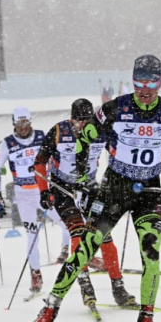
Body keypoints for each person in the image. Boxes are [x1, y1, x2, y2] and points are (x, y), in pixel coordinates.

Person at [21, 56, 161, 322]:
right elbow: (85, 137)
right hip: (114, 189)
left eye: (152, 81)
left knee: (151, 254)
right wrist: (81, 176)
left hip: (148, 191)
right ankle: (49, 310)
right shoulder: (115, 108)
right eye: (140, 81)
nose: (146, 88)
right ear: (133, 80)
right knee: (84, 249)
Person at [32, 98, 137, 308]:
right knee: (78, 233)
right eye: (78, 120)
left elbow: (119, 155)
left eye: (86, 120)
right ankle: (85, 285)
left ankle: (118, 287)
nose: (82, 125)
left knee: (104, 235)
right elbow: (39, 163)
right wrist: (44, 191)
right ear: (71, 118)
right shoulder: (59, 131)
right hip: (63, 188)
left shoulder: (100, 131)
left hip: (88, 187)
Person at [0, 107, 48, 295]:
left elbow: (55, 158)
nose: (22, 128)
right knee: (32, 235)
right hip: (23, 194)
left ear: (30, 122)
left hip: (43, 189)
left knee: (67, 223)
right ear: (14, 124)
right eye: (18, 124)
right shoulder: (7, 143)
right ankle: (35, 274)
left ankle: (82, 259)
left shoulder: (41, 136)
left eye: (25, 123)